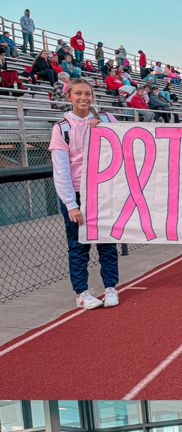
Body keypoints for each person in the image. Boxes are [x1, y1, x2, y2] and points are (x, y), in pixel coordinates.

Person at [49, 79, 120, 311]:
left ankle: (111, 287)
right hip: (78, 192)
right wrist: (71, 203)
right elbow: (61, 170)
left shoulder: (107, 120)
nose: (83, 98)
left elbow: (124, 146)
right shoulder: (62, 128)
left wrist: (107, 132)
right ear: (69, 96)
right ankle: (81, 293)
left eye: (87, 94)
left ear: (93, 96)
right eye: (78, 93)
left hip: (103, 191)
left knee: (107, 242)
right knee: (78, 246)